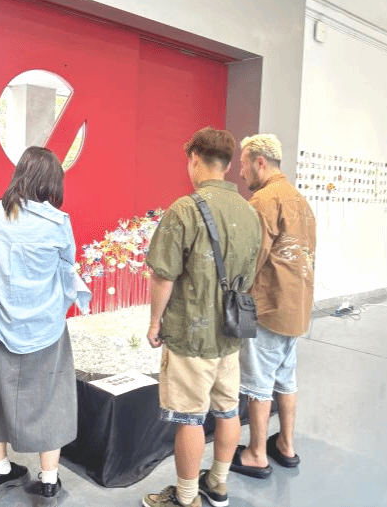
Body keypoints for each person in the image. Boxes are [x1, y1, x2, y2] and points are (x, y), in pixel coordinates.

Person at [144, 127, 262, 507]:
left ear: (194, 159)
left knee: (191, 419)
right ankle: (218, 484)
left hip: (190, 335)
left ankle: (186, 497)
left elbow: (163, 275)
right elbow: (251, 273)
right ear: (227, 164)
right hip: (231, 332)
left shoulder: (185, 209)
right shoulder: (250, 212)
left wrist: (155, 323)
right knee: (228, 411)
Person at [0, 146, 91, 507]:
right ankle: (49, 482)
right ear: (52, 182)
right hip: (45, 327)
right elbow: (66, 270)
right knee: (51, 399)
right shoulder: (58, 222)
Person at [230, 133, 315, 479]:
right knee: (286, 378)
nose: (240, 173)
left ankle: (256, 453)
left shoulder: (263, 200)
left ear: (260, 162)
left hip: (268, 307)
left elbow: (252, 256)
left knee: (258, 383)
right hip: (297, 307)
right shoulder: (299, 199)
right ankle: (286, 445)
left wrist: (232, 288)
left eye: (243, 164)